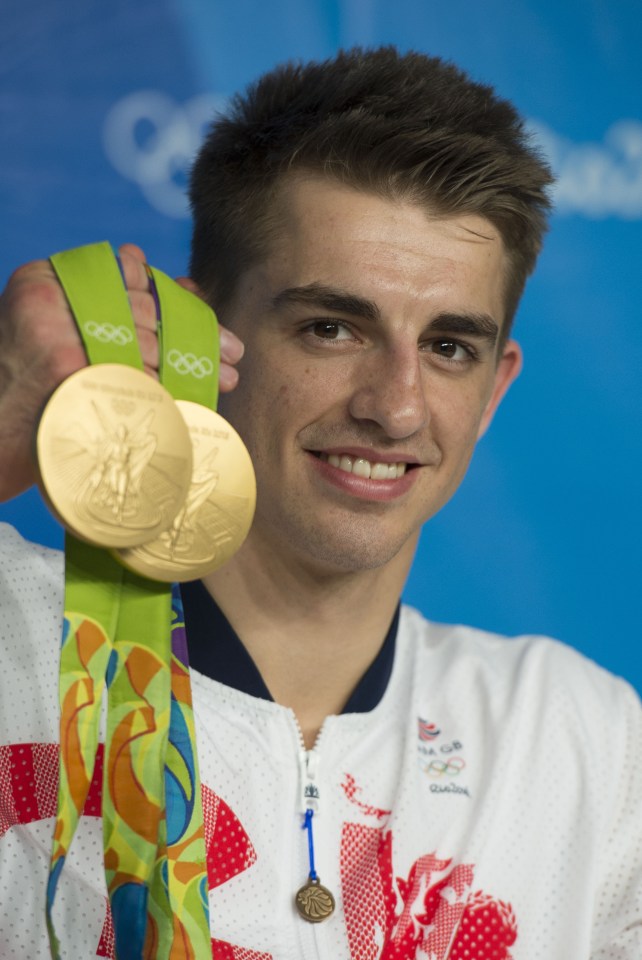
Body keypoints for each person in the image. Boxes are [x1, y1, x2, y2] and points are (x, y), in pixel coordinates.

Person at [0, 46, 640, 960]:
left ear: (496, 388)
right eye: (331, 327)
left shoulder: (579, 740)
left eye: (450, 347)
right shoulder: (11, 639)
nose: (397, 406)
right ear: (193, 337)